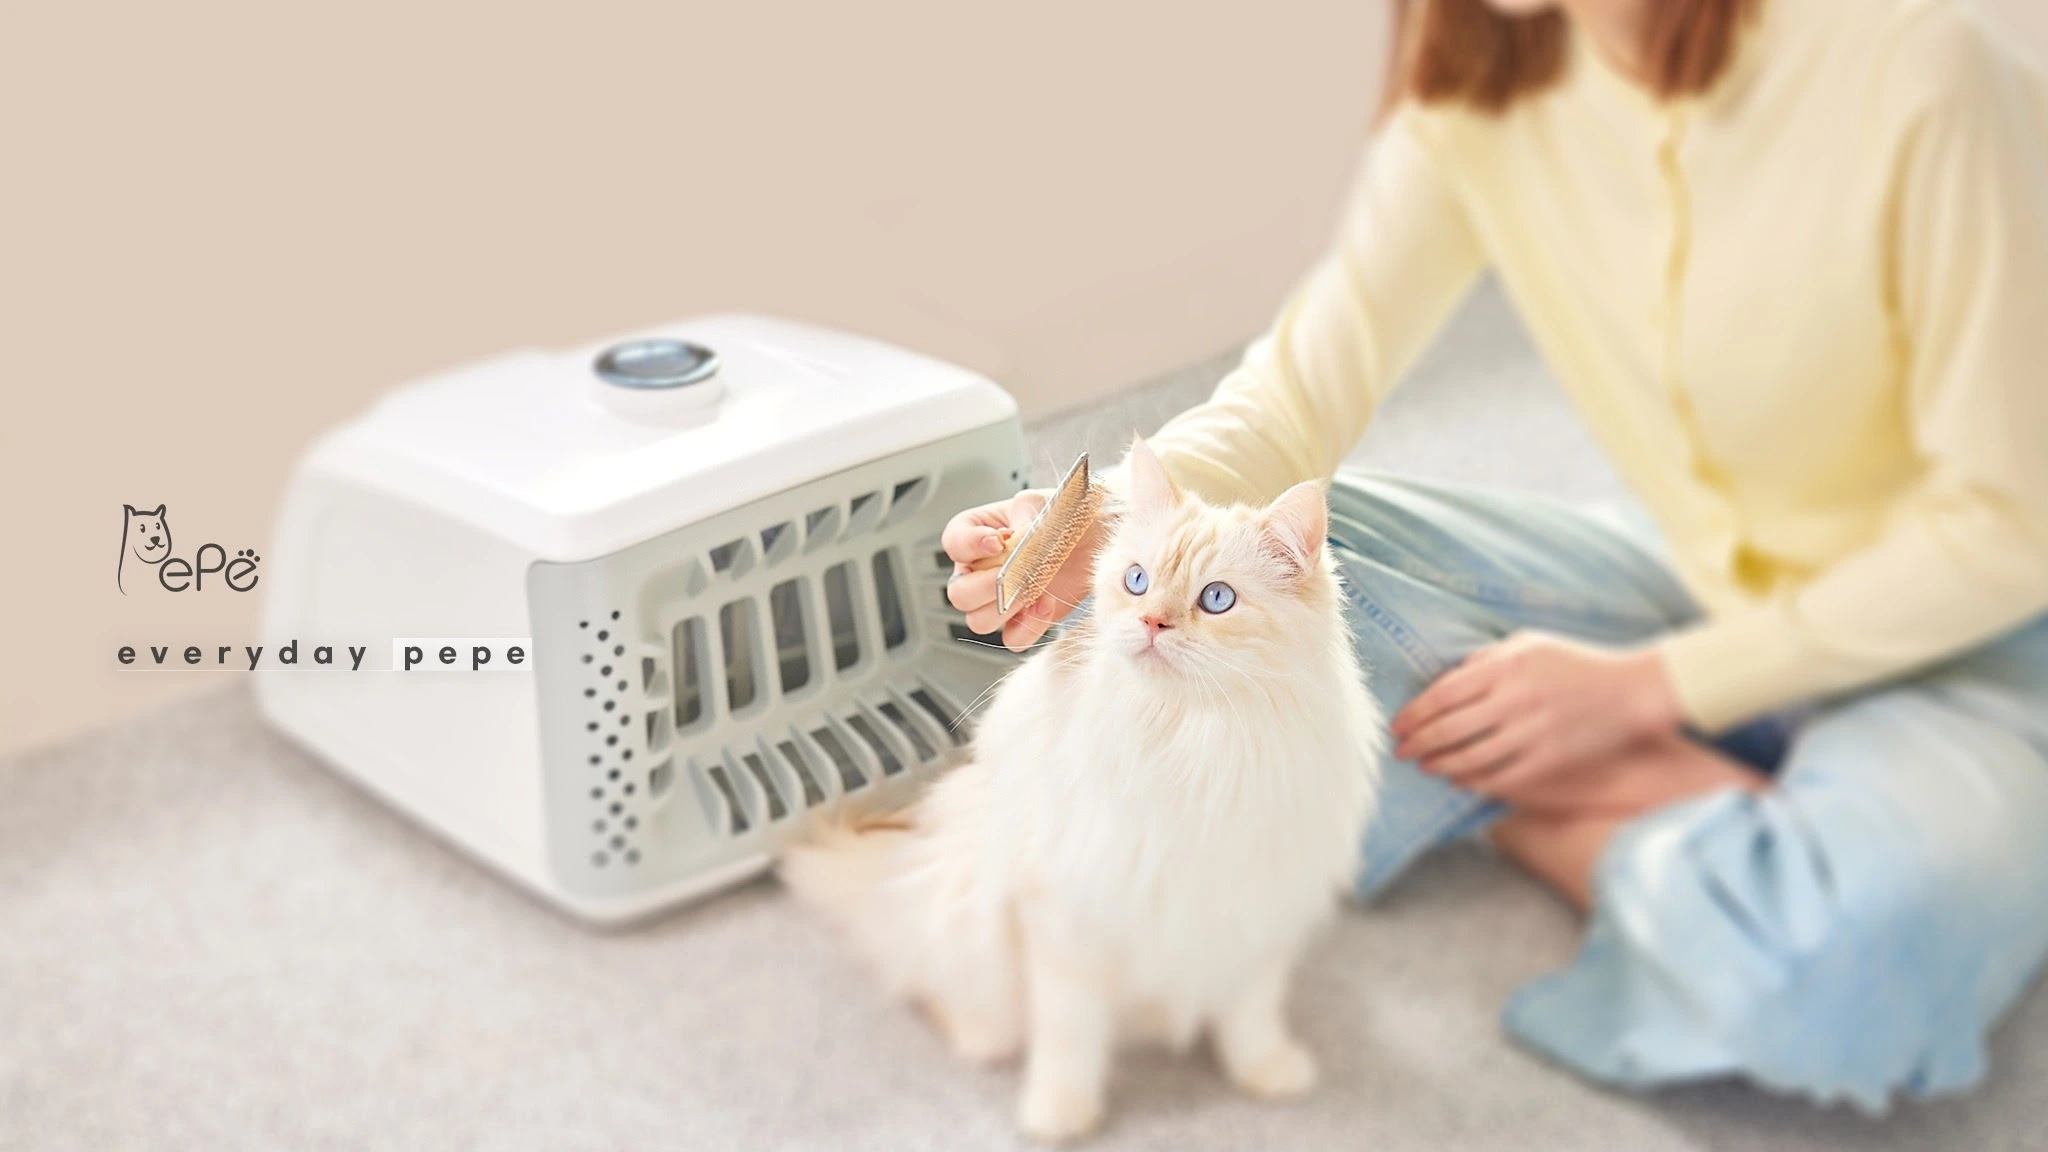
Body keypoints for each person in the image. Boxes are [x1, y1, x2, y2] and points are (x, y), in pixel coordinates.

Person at [939, 0, 2048, 1112]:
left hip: (1973, 638)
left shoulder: (1918, 73)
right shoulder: (1489, 91)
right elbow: (1295, 396)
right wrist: (1106, 532)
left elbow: (2008, 530)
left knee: (1843, 968)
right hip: (1696, 579)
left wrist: (1644, 694)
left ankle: (1538, 791)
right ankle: (1704, 826)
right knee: (1213, 594)